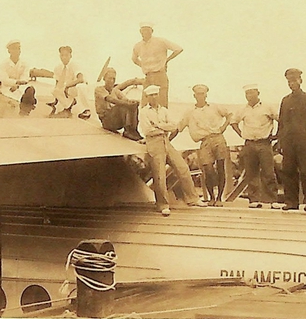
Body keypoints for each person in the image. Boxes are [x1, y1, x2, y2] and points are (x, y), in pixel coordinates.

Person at [139, 84, 208, 216]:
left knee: (183, 168)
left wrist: (159, 126)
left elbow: (173, 126)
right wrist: (164, 127)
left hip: (166, 141)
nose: (154, 97)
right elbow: (147, 130)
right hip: (154, 143)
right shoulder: (144, 112)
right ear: (147, 97)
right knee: (159, 175)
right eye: (151, 95)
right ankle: (163, 204)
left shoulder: (164, 110)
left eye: (156, 94)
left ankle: (192, 198)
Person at [176, 84, 232, 206]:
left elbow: (230, 114)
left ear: (206, 95)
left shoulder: (214, 107)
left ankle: (219, 198)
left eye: (202, 94)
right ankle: (211, 197)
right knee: (208, 169)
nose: (200, 96)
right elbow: (179, 127)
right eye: (198, 94)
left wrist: (223, 127)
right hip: (204, 141)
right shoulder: (190, 112)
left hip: (218, 138)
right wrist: (167, 140)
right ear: (194, 96)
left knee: (221, 168)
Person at [276, 68, 306, 212]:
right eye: (289, 81)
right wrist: (280, 141)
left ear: (300, 81)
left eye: (294, 81)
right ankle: (291, 201)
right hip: (288, 142)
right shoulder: (285, 100)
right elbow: (281, 122)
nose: (292, 84)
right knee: (288, 171)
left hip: (303, 140)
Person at [231, 84, 281, 209]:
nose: (249, 96)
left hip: (264, 143)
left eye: (252, 93)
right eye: (247, 93)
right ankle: (253, 199)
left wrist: (276, 135)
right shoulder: (243, 109)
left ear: (258, 93)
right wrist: (241, 134)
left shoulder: (267, 107)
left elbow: (281, 120)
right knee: (251, 172)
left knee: (268, 172)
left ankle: (272, 199)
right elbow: (233, 122)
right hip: (249, 143)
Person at [131, 22, 183, 108]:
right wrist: (143, 66)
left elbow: (178, 49)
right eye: (143, 31)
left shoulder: (161, 41)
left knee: (162, 105)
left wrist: (167, 61)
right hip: (148, 78)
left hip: (160, 76)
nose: (146, 33)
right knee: (145, 105)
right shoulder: (138, 46)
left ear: (152, 31)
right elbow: (134, 59)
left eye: (148, 30)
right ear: (140, 32)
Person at [94, 68, 144, 141]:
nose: (111, 81)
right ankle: (128, 130)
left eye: (113, 79)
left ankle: (132, 130)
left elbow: (126, 100)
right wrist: (126, 103)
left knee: (132, 105)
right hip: (106, 120)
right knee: (122, 106)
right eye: (109, 78)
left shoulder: (115, 91)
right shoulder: (99, 89)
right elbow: (110, 99)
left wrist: (133, 102)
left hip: (115, 120)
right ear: (104, 78)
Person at [50, 46, 92, 119]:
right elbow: (57, 84)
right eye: (62, 55)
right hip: (68, 90)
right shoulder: (58, 68)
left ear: (70, 56)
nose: (64, 57)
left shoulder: (75, 65)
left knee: (81, 86)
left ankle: (86, 110)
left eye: (66, 55)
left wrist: (67, 86)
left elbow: (80, 79)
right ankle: (68, 106)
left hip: (78, 89)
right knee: (54, 90)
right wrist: (56, 100)